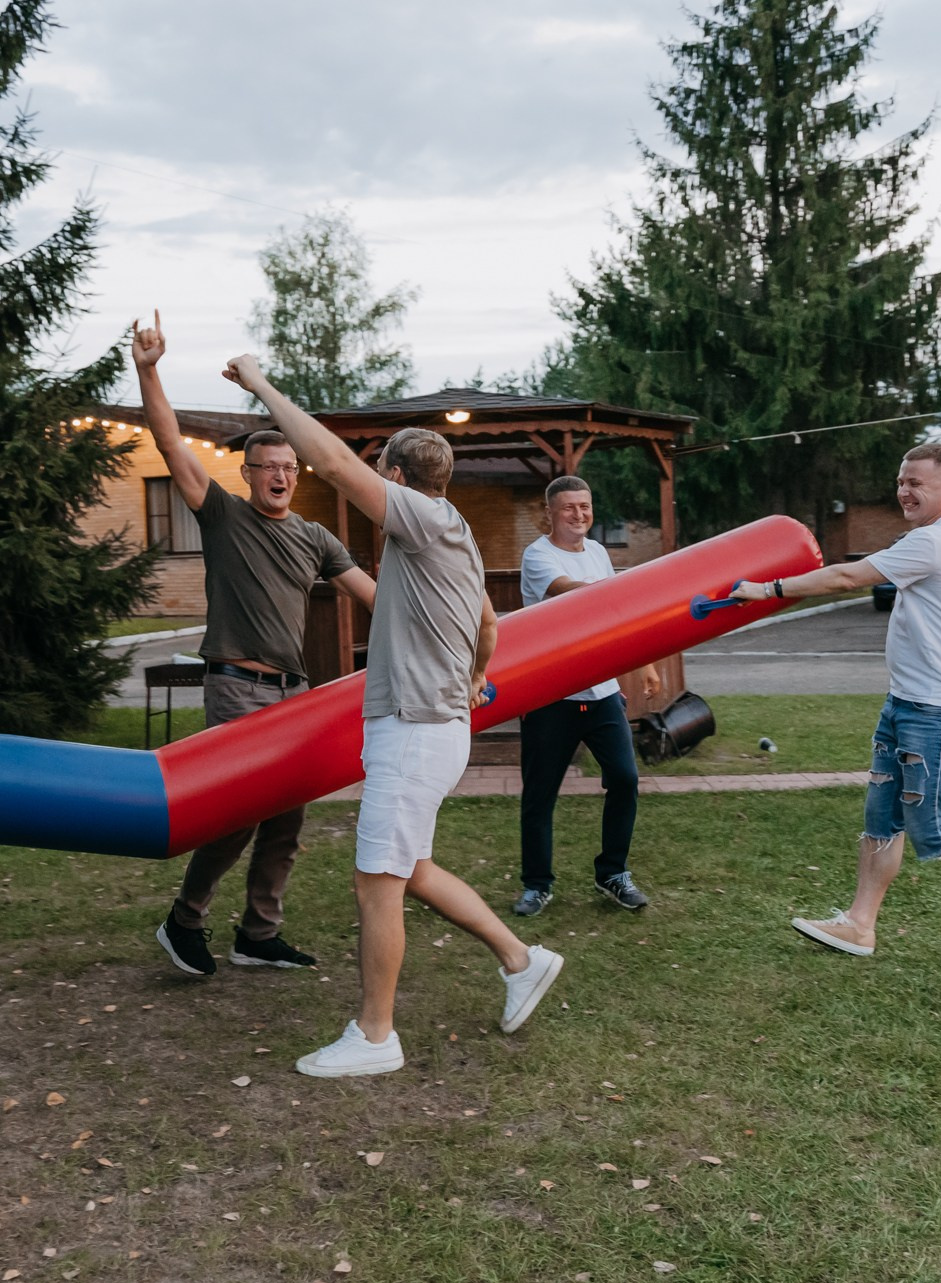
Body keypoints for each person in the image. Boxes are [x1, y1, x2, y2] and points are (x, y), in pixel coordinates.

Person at [221, 353, 564, 1078]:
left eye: (386, 476)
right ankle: (521, 957)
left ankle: (375, 1036)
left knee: (376, 877)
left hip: (414, 733)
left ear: (401, 482)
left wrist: (258, 384)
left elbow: (336, 464)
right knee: (412, 870)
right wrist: (471, 678)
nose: (377, 486)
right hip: (428, 727)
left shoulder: (425, 519)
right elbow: (491, 627)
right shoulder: (455, 533)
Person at [133, 312, 377, 976]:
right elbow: (168, 442)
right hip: (237, 687)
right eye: (266, 466)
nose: (278, 475)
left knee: (286, 824)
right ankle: (185, 919)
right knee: (238, 814)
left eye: (288, 467)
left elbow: (375, 597)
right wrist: (149, 370)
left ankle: (258, 933)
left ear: (297, 474)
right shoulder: (223, 515)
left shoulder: (315, 537)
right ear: (246, 473)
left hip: (294, 696)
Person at [734, 444, 941, 959]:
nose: (903, 490)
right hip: (906, 702)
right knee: (882, 817)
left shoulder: (938, 540)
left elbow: (847, 577)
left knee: (932, 825)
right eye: (901, 481)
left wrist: (767, 590)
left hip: (940, 711)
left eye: (915, 483)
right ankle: (860, 924)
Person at [514, 475, 661, 916]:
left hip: (603, 694)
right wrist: (632, 588)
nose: (579, 515)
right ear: (550, 513)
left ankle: (612, 874)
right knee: (539, 794)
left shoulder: (598, 553)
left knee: (625, 779)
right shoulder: (538, 556)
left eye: (585, 506)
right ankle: (537, 885)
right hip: (551, 696)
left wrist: (645, 662)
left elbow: (614, 620)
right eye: (568, 508)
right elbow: (574, 596)